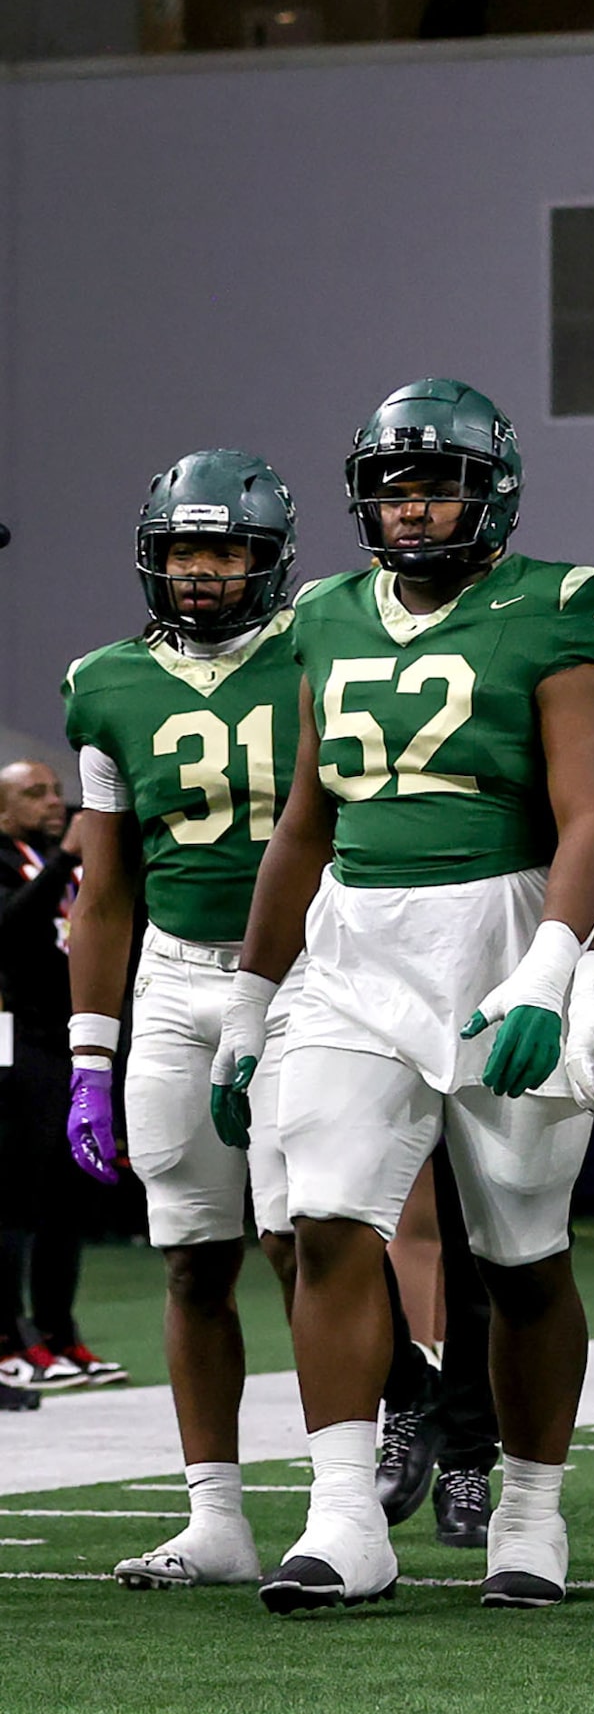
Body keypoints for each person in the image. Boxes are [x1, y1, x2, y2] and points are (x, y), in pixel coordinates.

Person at [212, 378, 594, 1614]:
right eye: (394, 487)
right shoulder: (328, 615)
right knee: (329, 1221)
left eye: (437, 482)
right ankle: (346, 1520)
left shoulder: (558, 608)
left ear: (489, 490)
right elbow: (303, 821)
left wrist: (556, 968)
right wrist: (251, 997)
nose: (413, 508)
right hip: (355, 945)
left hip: (502, 929)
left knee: (521, 1255)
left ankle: (533, 1511)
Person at [57, 452, 298, 1584]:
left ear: (267, 559)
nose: (201, 573)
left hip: (305, 976)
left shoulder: (317, 651)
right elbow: (103, 892)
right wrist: (88, 1055)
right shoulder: (105, 681)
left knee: (313, 1243)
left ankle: (349, 1487)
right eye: (183, 552)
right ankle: (218, 1516)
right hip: (173, 978)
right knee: (195, 1259)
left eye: (225, 551)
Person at [0, 757, 111, 1393]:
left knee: (68, 1199)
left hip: (75, 1043)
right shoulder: (17, 862)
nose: (53, 802)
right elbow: (10, 929)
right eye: (33, 793)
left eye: (55, 790)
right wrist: (66, 860)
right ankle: (11, 1336)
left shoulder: (65, 863)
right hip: (22, 1044)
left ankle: (60, 1333)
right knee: (16, 1196)